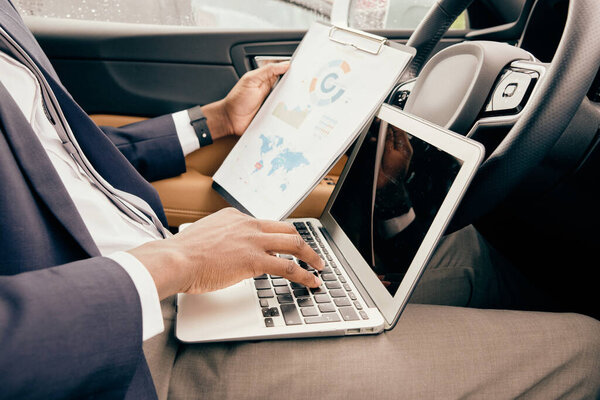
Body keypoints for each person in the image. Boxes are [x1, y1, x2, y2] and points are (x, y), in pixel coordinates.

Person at [0, 1, 599, 399]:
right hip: (122, 360)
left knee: (466, 254)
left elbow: (59, 158)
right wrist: (169, 266)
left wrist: (214, 120)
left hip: (146, 278)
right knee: (584, 349)